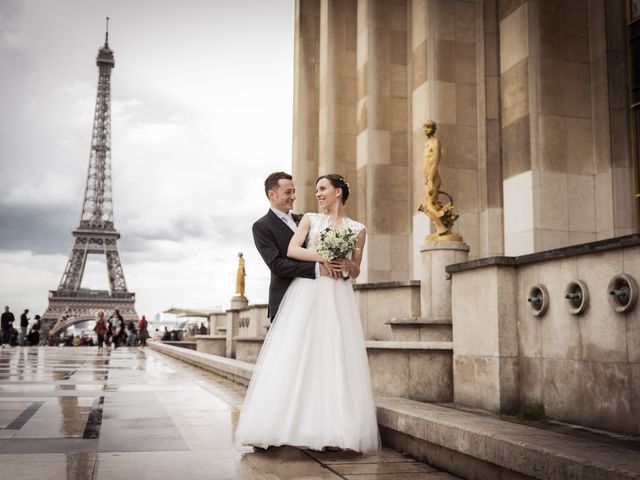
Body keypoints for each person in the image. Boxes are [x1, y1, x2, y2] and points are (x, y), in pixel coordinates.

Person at [236, 173, 380, 453]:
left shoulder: (352, 227)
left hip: (337, 295)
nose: (300, 196)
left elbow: (356, 269)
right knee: (294, 357)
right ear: (271, 194)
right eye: (288, 192)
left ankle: (331, 426)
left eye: (321, 189)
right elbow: (282, 259)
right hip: (302, 295)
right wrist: (322, 259)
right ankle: (279, 424)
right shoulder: (287, 223)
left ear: (338, 192)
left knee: (333, 356)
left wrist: (347, 265)